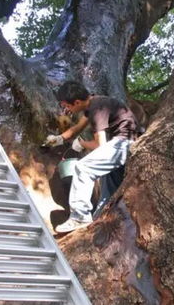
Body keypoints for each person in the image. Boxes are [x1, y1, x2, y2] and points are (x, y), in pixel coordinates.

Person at [45, 81, 139, 233]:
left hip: (123, 145)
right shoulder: (94, 103)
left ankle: (80, 216)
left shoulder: (97, 108)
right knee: (108, 188)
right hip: (124, 145)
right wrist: (59, 139)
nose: (67, 110)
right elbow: (77, 128)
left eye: (68, 106)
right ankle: (101, 217)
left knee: (82, 167)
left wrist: (82, 143)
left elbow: (100, 146)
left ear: (76, 102)